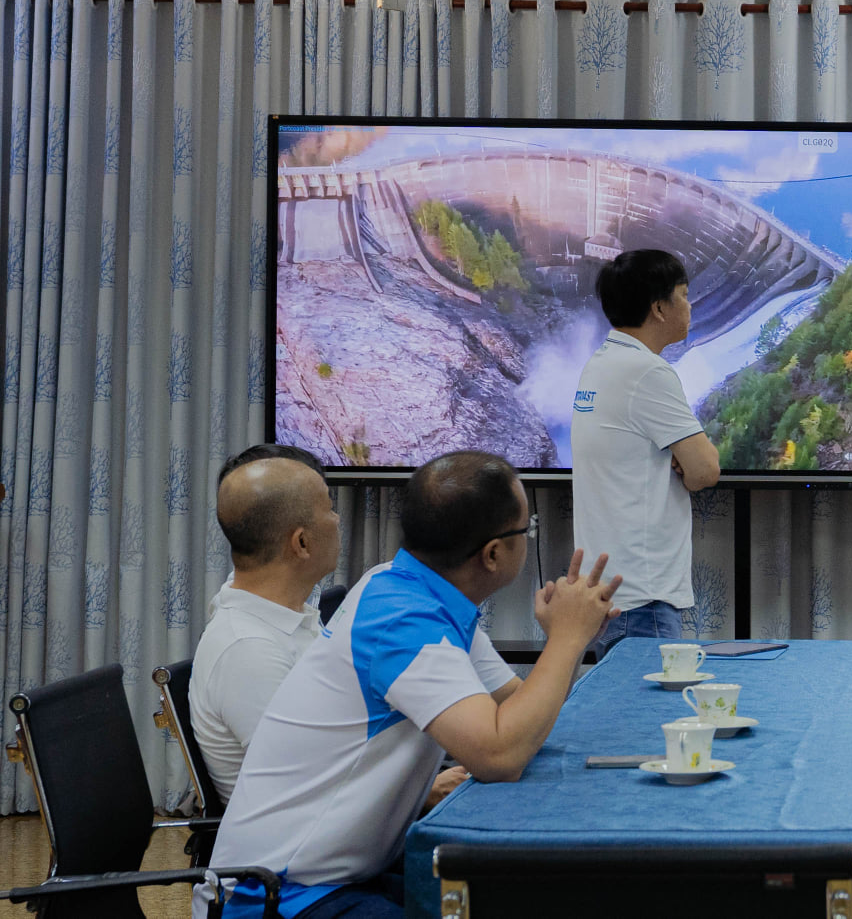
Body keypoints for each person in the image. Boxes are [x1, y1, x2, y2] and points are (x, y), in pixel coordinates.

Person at [198, 451, 620, 919]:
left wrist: (569, 638)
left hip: (341, 872)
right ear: (494, 554)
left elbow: (520, 710)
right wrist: (566, 640)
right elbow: (500, 755)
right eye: (528, 530)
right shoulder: (401, 619)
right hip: (275, 896)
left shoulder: (407, 590)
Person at [572, 249, 720, 647]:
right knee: (653, 692)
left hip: (608, 591)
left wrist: (679, 458)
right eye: (684, 295)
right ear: (659, 308)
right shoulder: (648, 372)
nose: (690, 306)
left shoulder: (601, 363)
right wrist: (685, 461)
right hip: (642, 598)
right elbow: (705, 471)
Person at [189, 445, 337, 805]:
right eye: (330, 508)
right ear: (302, 542)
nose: (337, 519)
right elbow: (311, 789)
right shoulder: (248, 650)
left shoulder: (288, 615)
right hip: (306, 835)